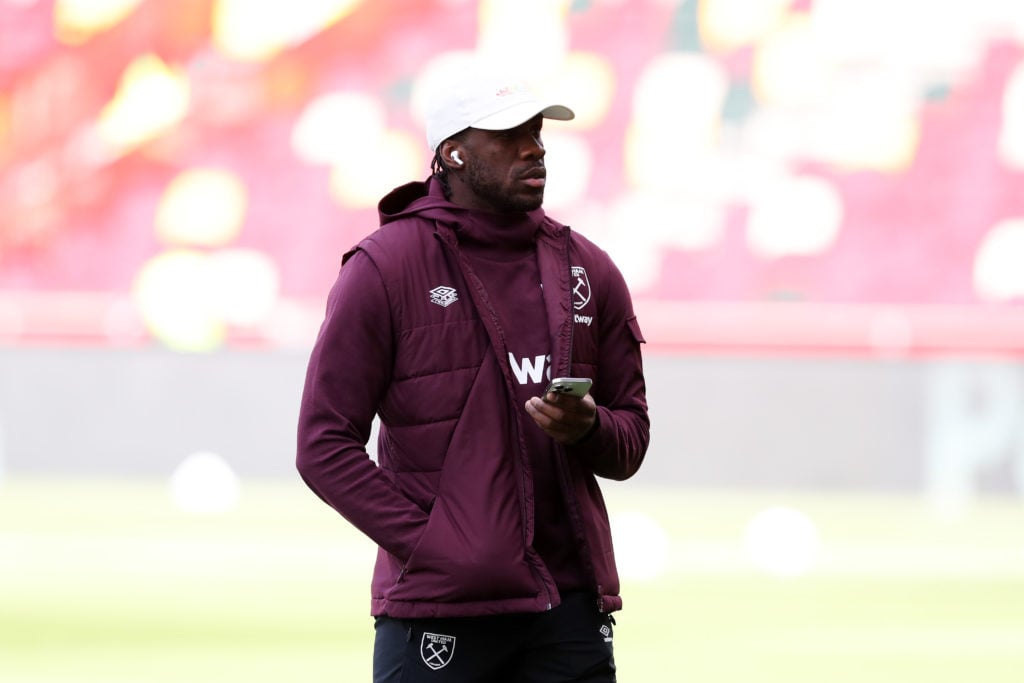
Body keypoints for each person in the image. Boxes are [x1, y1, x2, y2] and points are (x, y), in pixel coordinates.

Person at [295, 68, 649, 682]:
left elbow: (630, 444)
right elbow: (322, 446)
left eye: (537, 133)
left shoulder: (591, 270)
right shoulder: (383, 268)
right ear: (453, 152)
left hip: (569, 611)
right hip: (441, 612)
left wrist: (588, 427)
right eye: (509, 134)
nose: (534, 147)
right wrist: (436, 545)